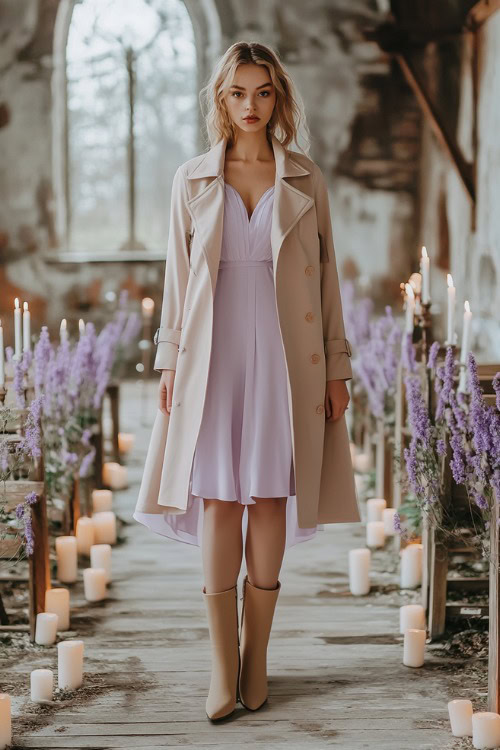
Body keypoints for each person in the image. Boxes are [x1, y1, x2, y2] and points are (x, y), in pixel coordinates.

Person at [133, 40, 359, 723]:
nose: (251, 105)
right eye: (238, 92)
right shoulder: (192, 180)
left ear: (277, 98)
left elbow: (329, 284)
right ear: (221, 100)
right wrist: (170, 361)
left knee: (267, 496)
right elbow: (176, 282)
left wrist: (338, 367)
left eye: (263, 92)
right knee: (217, 499)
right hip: (211, 354)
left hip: (287, 355)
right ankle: (221, 668)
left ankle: (257, 656)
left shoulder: (305, 178)